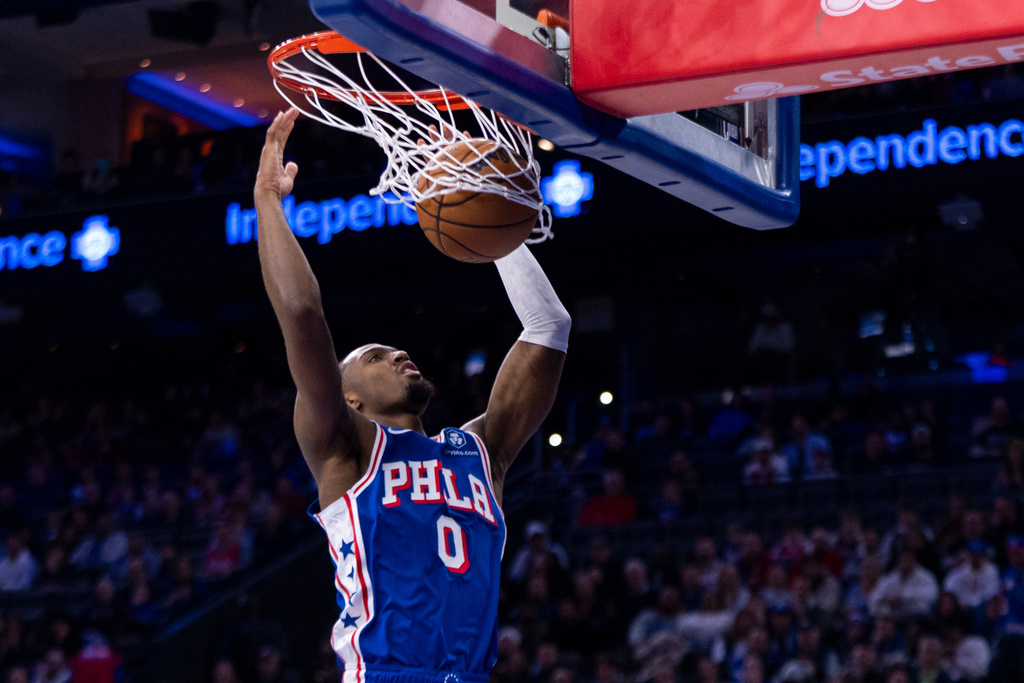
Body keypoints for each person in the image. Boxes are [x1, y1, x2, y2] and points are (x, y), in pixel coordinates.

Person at [255, 109, 570, 683]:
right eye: (375, 357)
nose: (399, 356)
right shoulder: (345, 451)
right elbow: (301, 313)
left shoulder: (480, 451)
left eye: (397, 351)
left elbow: (548, 327)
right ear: (349, 397)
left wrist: (488, 219)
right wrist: (268, 205)